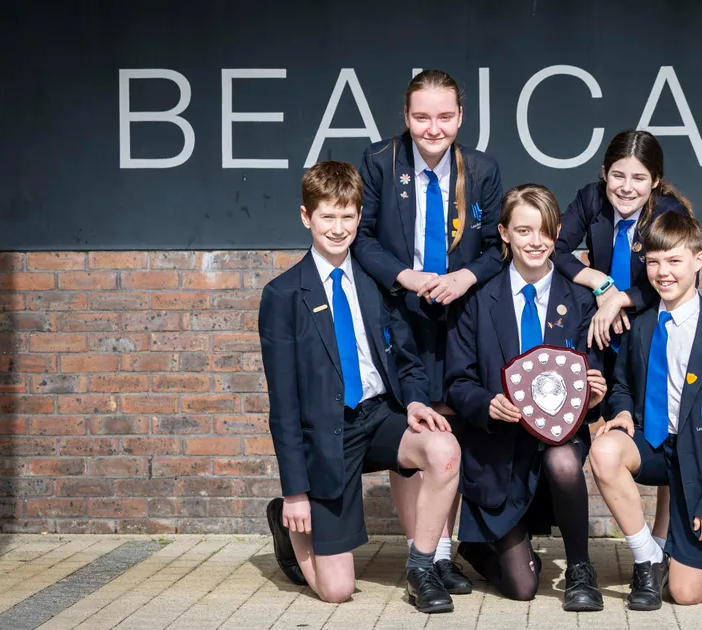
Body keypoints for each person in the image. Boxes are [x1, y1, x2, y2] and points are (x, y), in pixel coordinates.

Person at [260, 161, 461, 613]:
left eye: (347, 216)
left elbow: (406, 359)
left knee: (445, 450)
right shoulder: (283, 295)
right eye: (327, 216)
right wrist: (295, 491)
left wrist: (414, 402)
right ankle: (287, 520)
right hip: (326, 436)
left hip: (378, 417)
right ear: (306, 216)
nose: (338, 228)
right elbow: (283, 406)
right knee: (336, 590)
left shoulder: (376, 282)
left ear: (359, 216)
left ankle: (422, 566)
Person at [353, 69, 504, 593]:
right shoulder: (378, 162)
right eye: (421, 117)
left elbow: (494, 248)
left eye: (444, 117)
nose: (432, 128)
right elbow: (362, 238)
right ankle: (427, 553)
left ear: (461, 117)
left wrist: (463, 277)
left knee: (451, 425)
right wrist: (405, 276)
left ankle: (441, 552)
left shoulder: (481, 169)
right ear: (406, 117)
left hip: (459, 314)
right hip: (399, 311)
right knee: (413, 430)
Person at [445, 184, 608, 611]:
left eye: (546, 232)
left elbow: (594, 369)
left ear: (557, 235)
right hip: (500, 449)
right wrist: (486, 405)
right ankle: (479, 547)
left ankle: (579, 570)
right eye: (523, 231)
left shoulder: (579, 301)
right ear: (504, 232)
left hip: (557, 439)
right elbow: (458, 382)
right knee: (522, 589)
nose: (536, 242)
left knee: (564, 457)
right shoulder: (478, 301)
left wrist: (594, 396)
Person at [588, 211, 702, 610]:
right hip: (650, 444)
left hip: (694, 461)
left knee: (685, 593)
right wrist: (623, 410)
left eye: (674, 261)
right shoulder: (642, 325)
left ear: (698, 261)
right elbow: (623, 386)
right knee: (603, 450)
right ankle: (649, 557)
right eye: (653, 261)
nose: (663, 272)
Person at [553, 129, 694, 550]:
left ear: (655, 181)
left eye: (638, 177)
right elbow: (555, 249)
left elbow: (674, 279)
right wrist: (601, 285)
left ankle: (665, 538)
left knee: (665, 427)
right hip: (602, 321)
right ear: (604, 174)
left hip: (650, 325)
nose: (626, 187)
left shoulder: (667, 212)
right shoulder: (591, 199)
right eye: (618, 175)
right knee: (602, 409)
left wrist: (623, 299)